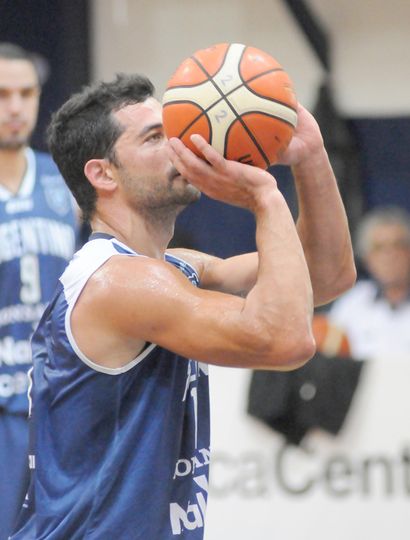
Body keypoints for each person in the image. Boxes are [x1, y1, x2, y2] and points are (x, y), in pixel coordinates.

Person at [11, 73, 356, 539]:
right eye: (156, 138)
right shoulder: (118, 283)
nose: (180, 148)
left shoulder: (172, 268)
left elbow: (325, 274)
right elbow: (287, 339)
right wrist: (263, 198)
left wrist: (311, 157)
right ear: (103, 173)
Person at [0, 43, 78, 539]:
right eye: (2, 93)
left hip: (56, 398)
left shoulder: (63, 183)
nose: (15, 107)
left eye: (26, 93)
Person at [329, 205, 410, 359]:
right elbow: (330, 358)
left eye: (398, 245)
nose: (390, 255)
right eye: (379, 248)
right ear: (367, 258)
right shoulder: (352, 302)